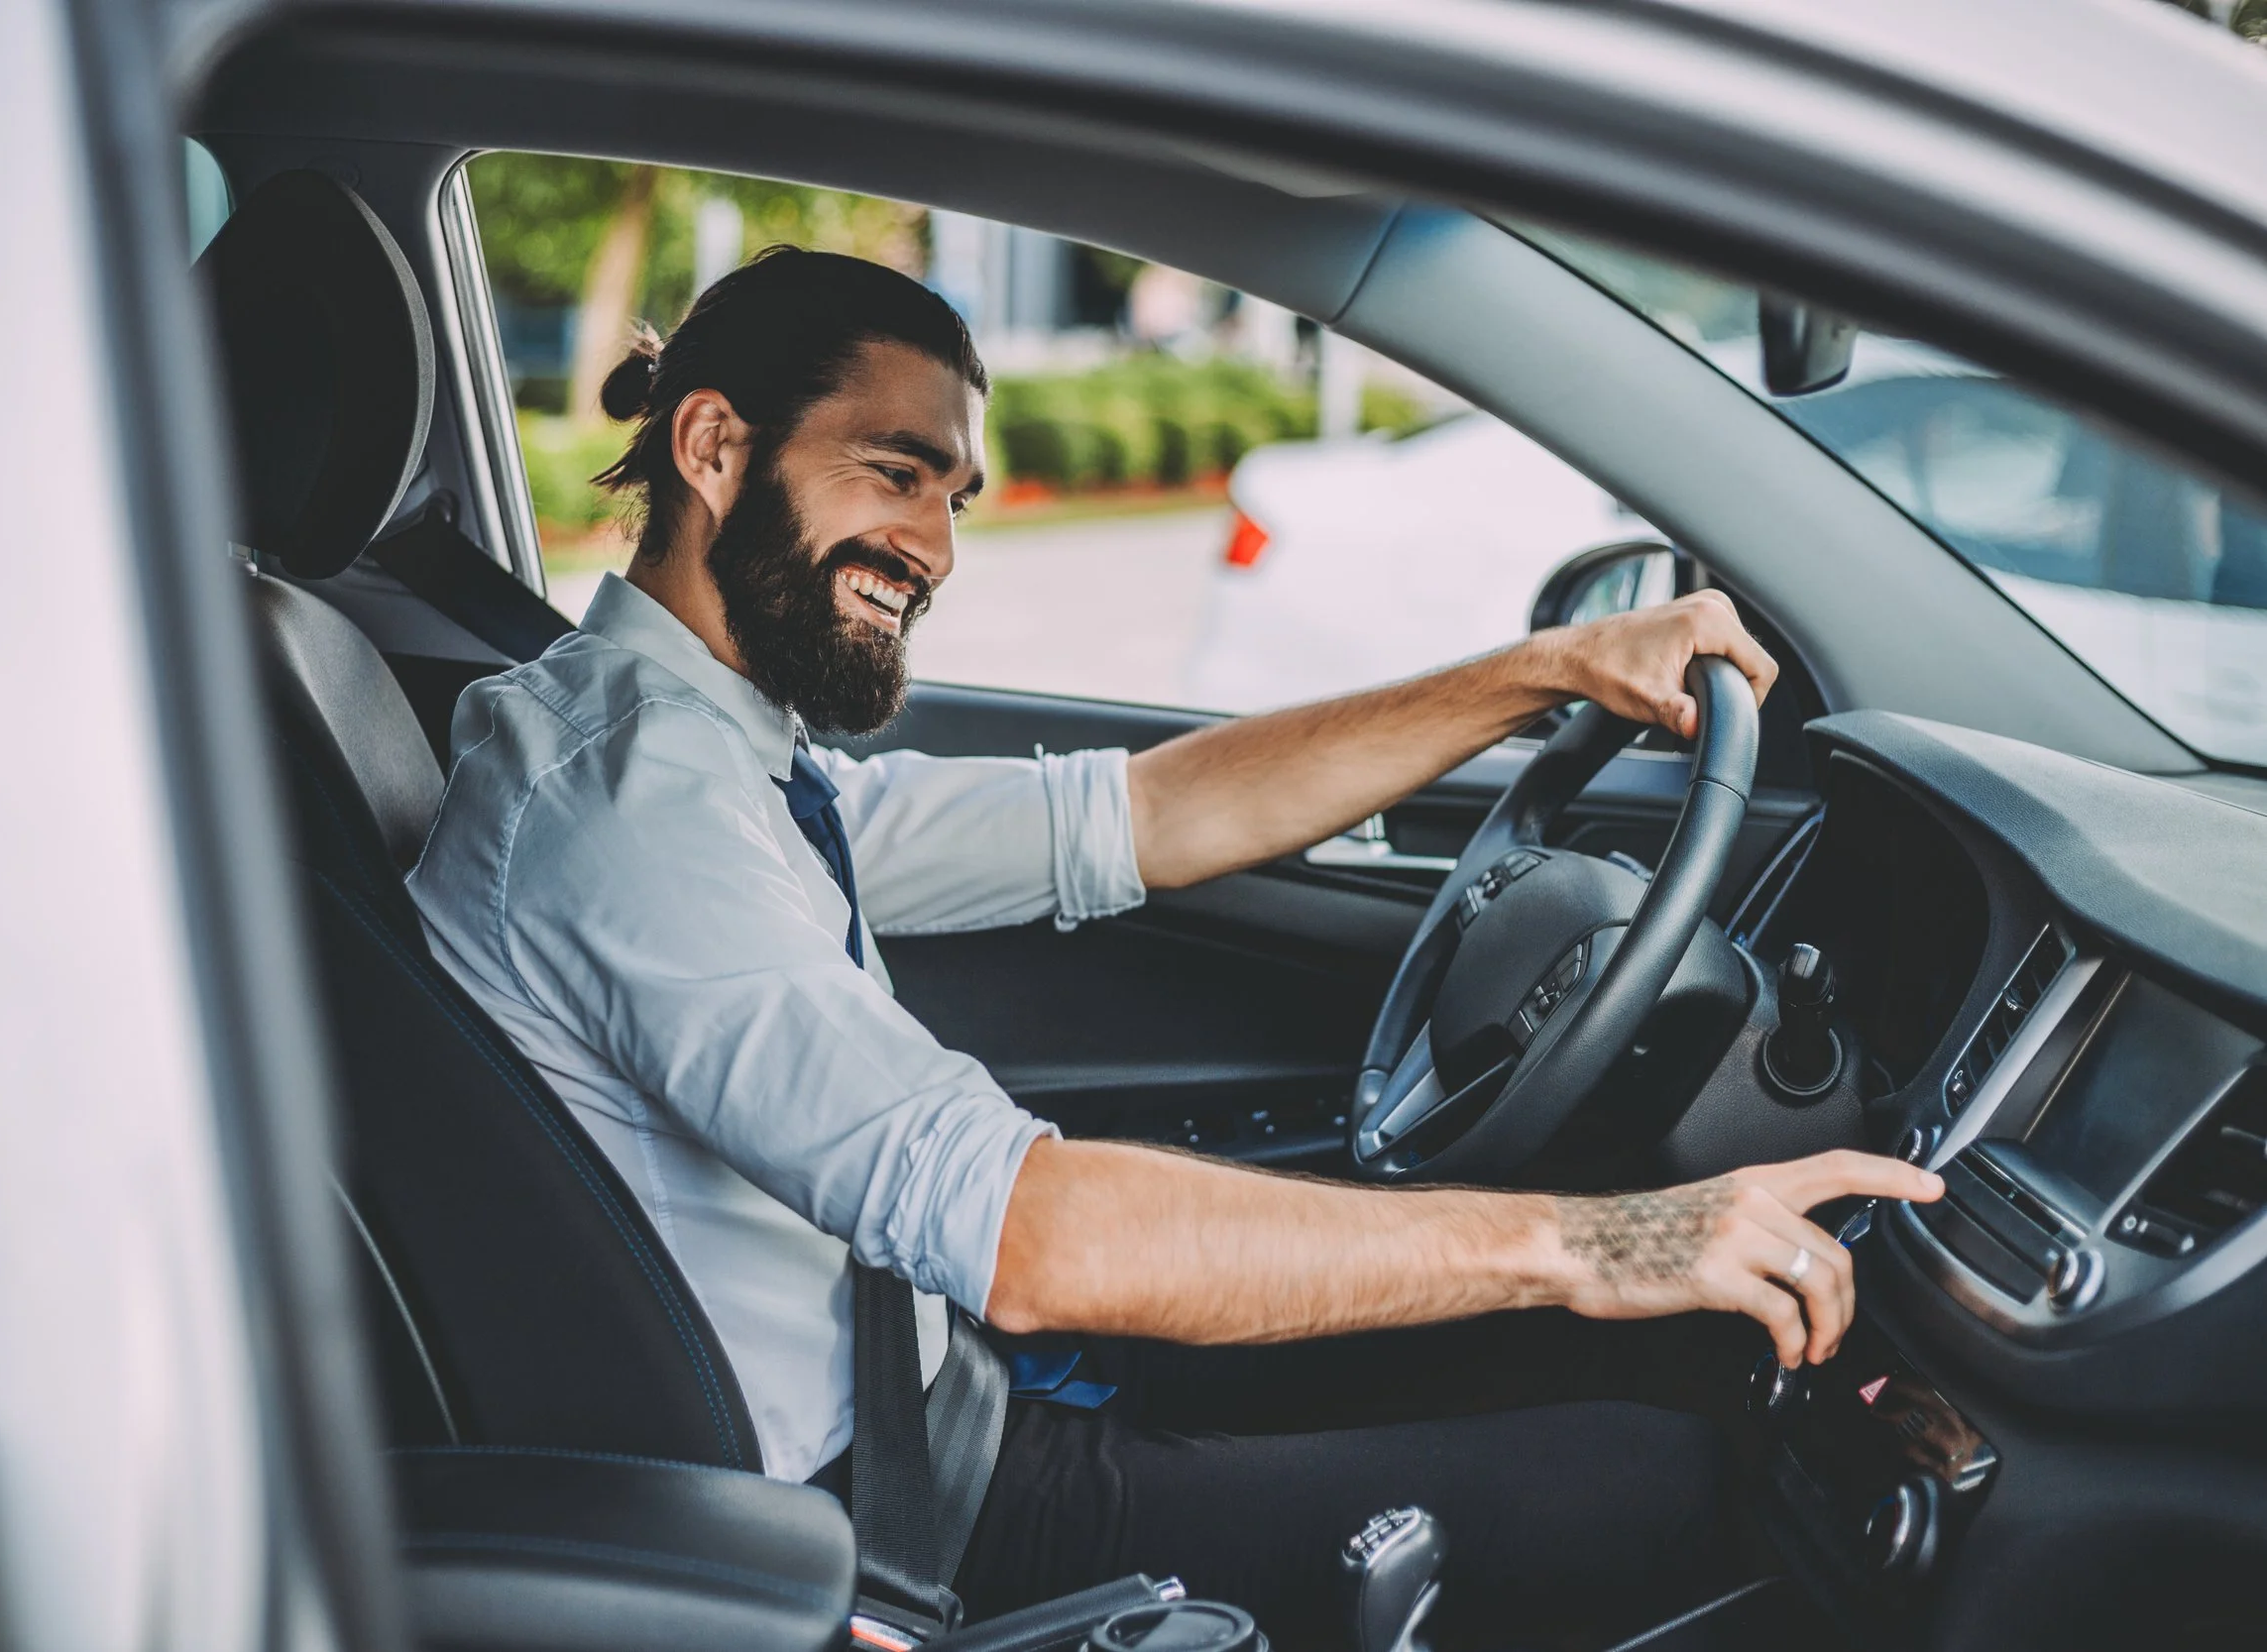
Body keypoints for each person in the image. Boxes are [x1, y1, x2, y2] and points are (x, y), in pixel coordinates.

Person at [406, 246, 1942, 1646]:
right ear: (715, 446)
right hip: (899, 1523)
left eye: (958, 495)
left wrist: (1543, 672)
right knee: (1657, 1473)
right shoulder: (627, 810)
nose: (937, 546)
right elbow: (1029, 1234)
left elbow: (1134, 814)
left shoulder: (721, 756)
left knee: (1608, 1367)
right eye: (895, 472)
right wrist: (1608, 1239)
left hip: (945, 1406)